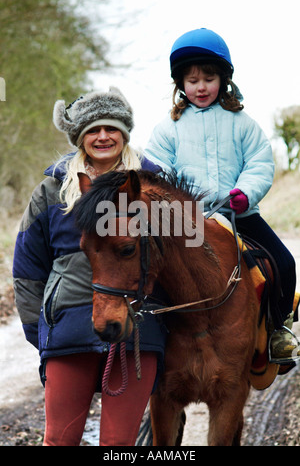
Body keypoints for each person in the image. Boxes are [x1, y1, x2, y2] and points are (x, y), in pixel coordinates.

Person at [13, 87, 167, 446]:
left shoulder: (156, 188)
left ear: (124, 133)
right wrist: (39, 329)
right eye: (93, 130)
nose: (103, 136)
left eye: (111, 128)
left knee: (118, 447)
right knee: (59, 441)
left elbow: (182, 259)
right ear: (80, 137)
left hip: (138, 333)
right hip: (68, 327)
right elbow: (27, 268)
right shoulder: (51, 191)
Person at [145, 28, 299, 363]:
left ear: (223, 79)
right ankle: (150, 341)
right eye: (192, 80)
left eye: (209, 78)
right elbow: (157, 173)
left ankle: (279, 331)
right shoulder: (166, 130)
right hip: (187, 224)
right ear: (180, 85)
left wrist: (244, 193)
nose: (200, 87)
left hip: (238, 215)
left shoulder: (243, 124)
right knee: (151, 273)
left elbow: (259, 163)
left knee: (284, 263)